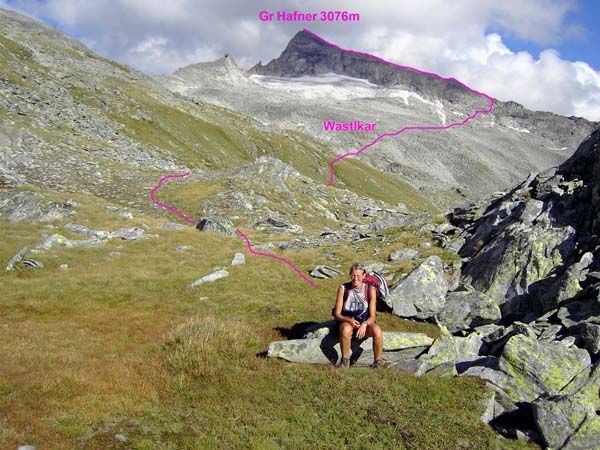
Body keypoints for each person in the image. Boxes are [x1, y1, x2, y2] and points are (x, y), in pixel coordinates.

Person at [332, 263, 383, 368]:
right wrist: (349, 321)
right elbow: (337, 314)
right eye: (353, 276)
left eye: (359, 276)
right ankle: (345, 361)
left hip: (363, 322)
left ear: (364, 276)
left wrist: (365, 324)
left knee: (377, 330)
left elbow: (373, 316)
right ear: (350, 275)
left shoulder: (370, 290)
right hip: (347, 321)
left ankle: (377, 362)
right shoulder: (343, 289)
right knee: (346, 329)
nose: (355, 279)